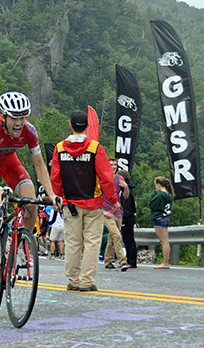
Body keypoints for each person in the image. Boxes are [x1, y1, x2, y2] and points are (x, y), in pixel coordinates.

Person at [0, 91, 58, 302]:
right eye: (14, 117)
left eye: (23, 117)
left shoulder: (30, 131)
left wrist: (53, 194)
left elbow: (39, 164)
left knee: (32, 203)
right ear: (4, 116)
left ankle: (22, 244)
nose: (19, 123)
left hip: (10, 165)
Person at [50, 110, 120, 292]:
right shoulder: (95, 148)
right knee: (92, 243)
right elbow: (105, 177)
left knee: (72, 243)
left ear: (71, 126)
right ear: (87, 127)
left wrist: (57, 197)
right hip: (93, 203)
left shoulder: (59, 148)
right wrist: (113, 200)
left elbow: (55, 177)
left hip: (70, 203)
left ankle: (73, 280)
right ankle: (86, 281)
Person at [103, 158, 130, 272]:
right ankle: (122, 261)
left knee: (112, 238)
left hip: (118, 212)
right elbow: (97, 195)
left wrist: (126, 187)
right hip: (106, 211)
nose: (113, 166)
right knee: (117, 235)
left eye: (115, 165)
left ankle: (108, 261)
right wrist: (103, 211)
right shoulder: (102, 178)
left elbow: (126, 196)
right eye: (111, 164)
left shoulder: (119, 178)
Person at [148, 176, 174, 269]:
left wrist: (154, 192)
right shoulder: (169, 194)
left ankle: (165, 263)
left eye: (156, 185)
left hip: (159, 218)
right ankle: (166, 262)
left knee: (163, 242)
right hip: (165, 217)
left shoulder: (160, 195)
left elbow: (151, 204)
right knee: (166, 242)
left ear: (159, 185)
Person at [118, 169, 137, 268]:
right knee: (126, 239)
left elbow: (126, 207)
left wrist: (123, 220)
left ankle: (132, 261)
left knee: (129, 239)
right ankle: (128, 258)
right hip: (130, 216)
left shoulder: (126, 190)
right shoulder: (128, 188)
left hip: (128, 218)